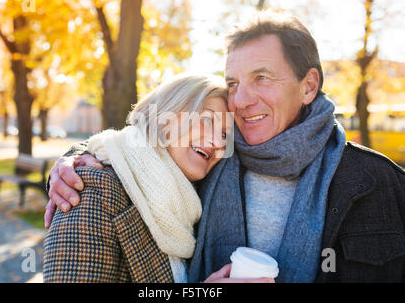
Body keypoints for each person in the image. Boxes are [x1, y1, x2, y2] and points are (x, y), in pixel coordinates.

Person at [45, 11, 405, 283]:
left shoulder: (378, 182)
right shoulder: (209, 165)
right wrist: (75, 160)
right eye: (233, 82)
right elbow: (137, 152)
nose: (242, 100)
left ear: (308, 86)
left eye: (261, 77)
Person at [43, 74, 273, 283]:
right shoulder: (92, 192)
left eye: (225, 134)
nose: (218, 142)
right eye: (207, 120)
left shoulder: (189, 203)